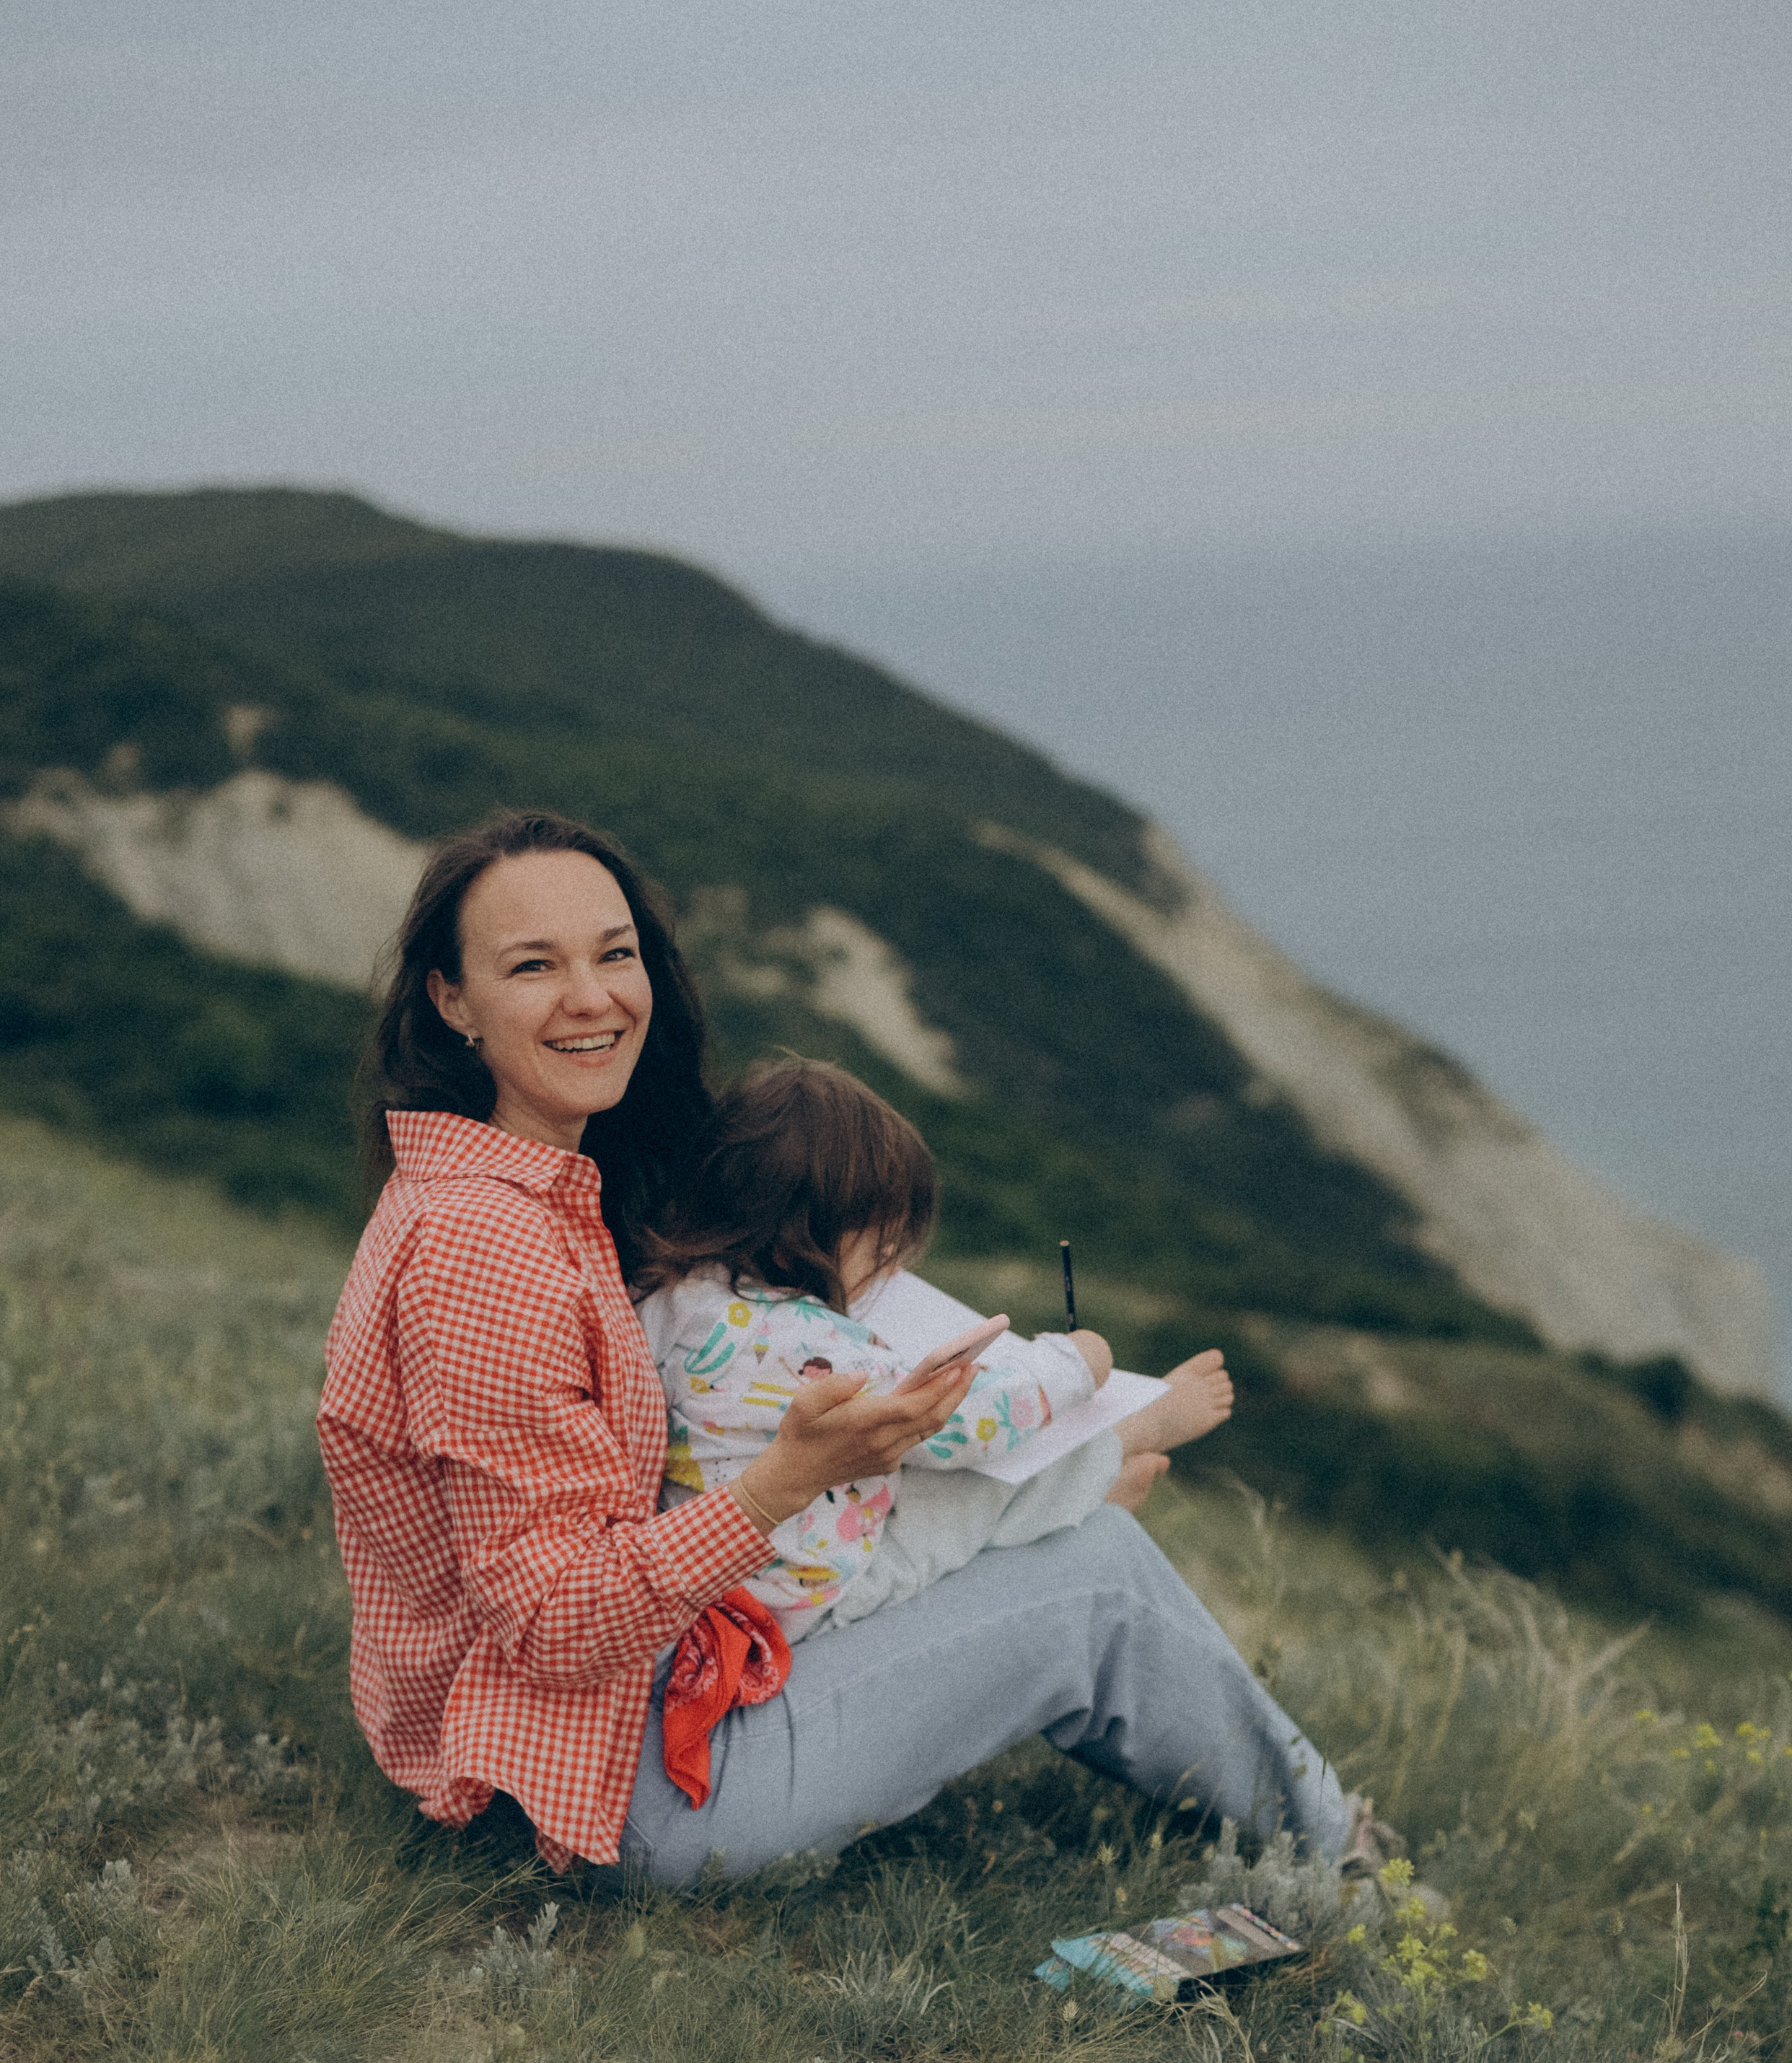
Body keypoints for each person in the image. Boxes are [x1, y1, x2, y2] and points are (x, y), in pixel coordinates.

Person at [317, 806, 1353, 1888]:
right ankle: (1340, 1857)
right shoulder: (483, 1254)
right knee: (1100, 1581)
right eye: (533, 966)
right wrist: (784, 1481)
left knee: (1005, 1523)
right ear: (452, 1001)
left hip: (615, 1714)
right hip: (617, 1783)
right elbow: (553, 1626)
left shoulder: (520, 1193)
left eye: (615, 955)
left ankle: (1082, 1517)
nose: (592, 997)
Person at [633, 1056, 1238, 1642]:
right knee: (967, 1492)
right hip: (804, 1599)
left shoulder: (667, 1293)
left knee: (922, 1485)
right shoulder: (818, 1347)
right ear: (799, 1241)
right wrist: (1076, 1363)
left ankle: (1088, 1484)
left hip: (716, 1575)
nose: (891, 1267)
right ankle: (1120, 1442)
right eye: (881, 1249)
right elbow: (965, 1424)